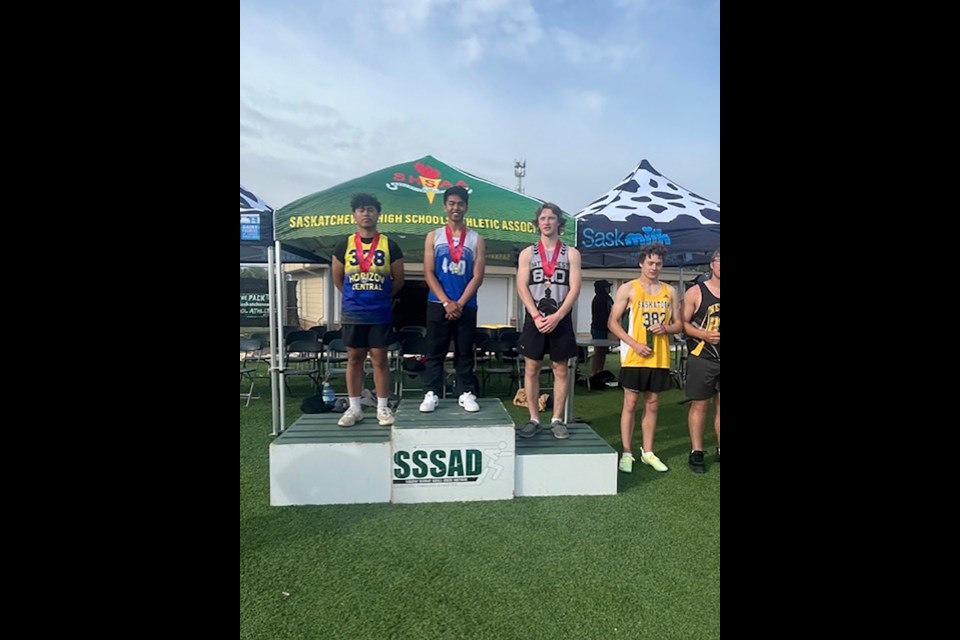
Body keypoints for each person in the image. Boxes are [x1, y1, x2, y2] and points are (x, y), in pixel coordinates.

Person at [331, 193, 405, 427]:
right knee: (354, 359)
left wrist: (380, 297)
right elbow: (338, 279)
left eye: (371, 209)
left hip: (380, 312)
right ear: (354, 214)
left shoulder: (390, 245)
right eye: (361, 209)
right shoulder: (344, 244)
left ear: (378, 214)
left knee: (380, 359)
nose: (366, 213)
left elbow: (399, 280)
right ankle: (354, 408)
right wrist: (356, 297)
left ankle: (382, 408)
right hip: (353, 312)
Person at [607, 244, 682, 472]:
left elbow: (679, 324)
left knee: (652, 403)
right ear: (641, 263)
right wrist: (634, 344)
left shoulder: (670, 291)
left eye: (658, 263)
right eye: (650, 262)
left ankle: (647, 451)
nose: (654, 267)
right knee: (630, 403)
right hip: (635, 356)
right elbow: (612, 322)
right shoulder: (629, 288)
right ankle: (627, 452)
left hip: (659, 357)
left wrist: (666, 329)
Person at [515, 203, 582, 439]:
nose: (546, 222)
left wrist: (559, 315)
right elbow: (521, 286)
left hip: (560, 318)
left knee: (560, 369)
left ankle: (556, 419)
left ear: (559, 222)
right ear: (537, 223)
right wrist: (534, 314)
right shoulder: (527, 253)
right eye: (542, 218)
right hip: (535, 317)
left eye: (551, 218)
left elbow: (575, 288)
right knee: (531, 367)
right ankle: (533, 418)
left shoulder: (571, 253)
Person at [419, 186, 486, 413]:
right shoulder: (433, 236)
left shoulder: (476, 239)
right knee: (435, 350)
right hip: (438, 303)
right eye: (451, 203)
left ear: (466, 207)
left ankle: (466, 392)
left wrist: (459, 302)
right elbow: (429, 272)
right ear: (445, 206)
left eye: (460, 204)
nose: (455, 208)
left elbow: (478, 275)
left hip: (466, 304)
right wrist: (447, 301)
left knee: (465, 350)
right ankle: (432, 392)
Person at [683, 248, 720, 473]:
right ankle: (696, 451)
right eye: (720, 261)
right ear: (712, 264)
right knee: (700, 404)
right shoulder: (697, 291)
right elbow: (684, 324)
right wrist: (704, 335)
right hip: (702, 356)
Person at [590, 280, 614, 375]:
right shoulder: (599, 299)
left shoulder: (607, 298)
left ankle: (600, 371)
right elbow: (604, 315)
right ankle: (595, 372)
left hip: (605, 328)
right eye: (607, 287)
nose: (609, 289)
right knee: (599, 351)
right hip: (599, 329)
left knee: (603, 352)